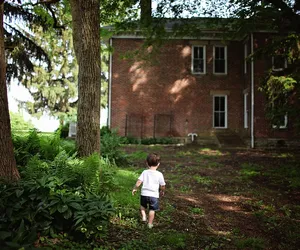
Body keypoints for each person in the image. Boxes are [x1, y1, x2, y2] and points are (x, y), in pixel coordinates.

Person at [132, 153, 166, 229]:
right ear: (158, 164)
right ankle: (150, 224)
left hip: (144, 194)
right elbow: (163, 185)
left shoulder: (145, 172)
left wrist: (135, 188)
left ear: (147, 163)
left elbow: (139, 182)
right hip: (154, 195)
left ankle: (144, 216)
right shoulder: (159, 174)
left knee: (142, 206)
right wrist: (162, 191)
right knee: (152, 210)